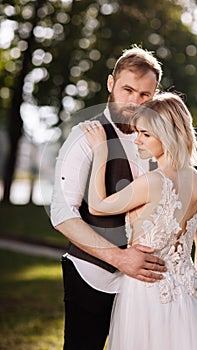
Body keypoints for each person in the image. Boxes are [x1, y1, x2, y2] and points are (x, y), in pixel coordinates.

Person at [50, 46, 167, 350]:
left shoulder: (158, 142)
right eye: (128, 89)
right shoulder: (84, 136)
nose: (135, 101)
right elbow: (62, 214)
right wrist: (119, 258)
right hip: (93, 276)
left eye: (145, 95)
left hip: (142, 285)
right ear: (111, 83)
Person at [80, 91, 197, 349]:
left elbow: (98, 206)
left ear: (166, 135)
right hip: (189, 295)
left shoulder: (154, 182)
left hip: (147, 291)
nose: (137, 141)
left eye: (145, 134)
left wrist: (100, 152)